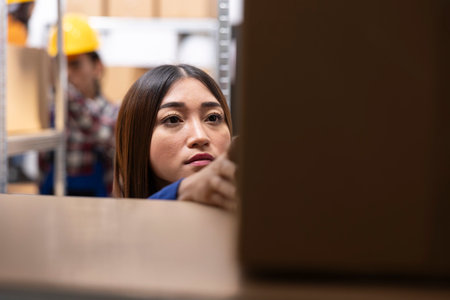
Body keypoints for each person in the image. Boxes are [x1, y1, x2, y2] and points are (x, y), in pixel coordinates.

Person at [114, 64, 237, 209]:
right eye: (173, 119)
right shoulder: (118, 224)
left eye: (213, 117)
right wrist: (182, 191)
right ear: (138, 139)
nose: (200, 137)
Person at [40, 14, 119, 196]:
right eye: (60, 66)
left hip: (96, 210)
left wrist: (65, 93)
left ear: (97, 67)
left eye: (75, 65)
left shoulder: (113, 113)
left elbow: (106, 136)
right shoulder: (47, 113)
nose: (66, 74)